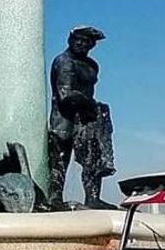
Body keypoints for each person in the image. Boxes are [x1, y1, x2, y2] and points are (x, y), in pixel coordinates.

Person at [47, 26, 115, 209]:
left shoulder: (92, 65)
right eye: (79, 40)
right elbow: (66, 96)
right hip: (64, 120)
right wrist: (92, 105)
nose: (82, 44)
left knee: (93, 158)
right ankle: (54, 198)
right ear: (70, 40)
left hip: (87, 120)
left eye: (87, 41)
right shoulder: (64, 62)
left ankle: (93, 198)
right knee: (60, 159)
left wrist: (94, 110)